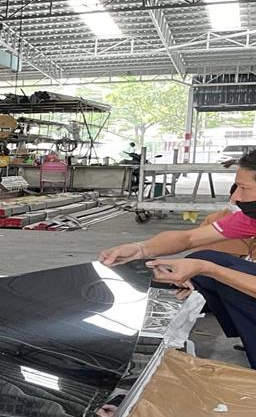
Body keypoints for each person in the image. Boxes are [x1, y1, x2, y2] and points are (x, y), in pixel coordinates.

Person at [99, 151, 256, 367]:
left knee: (211, 268)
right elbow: (189, 238)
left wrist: (206, 268)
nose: (235, 197)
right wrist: (140, 249)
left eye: (244, 188)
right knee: (205, 258)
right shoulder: (250, 219)